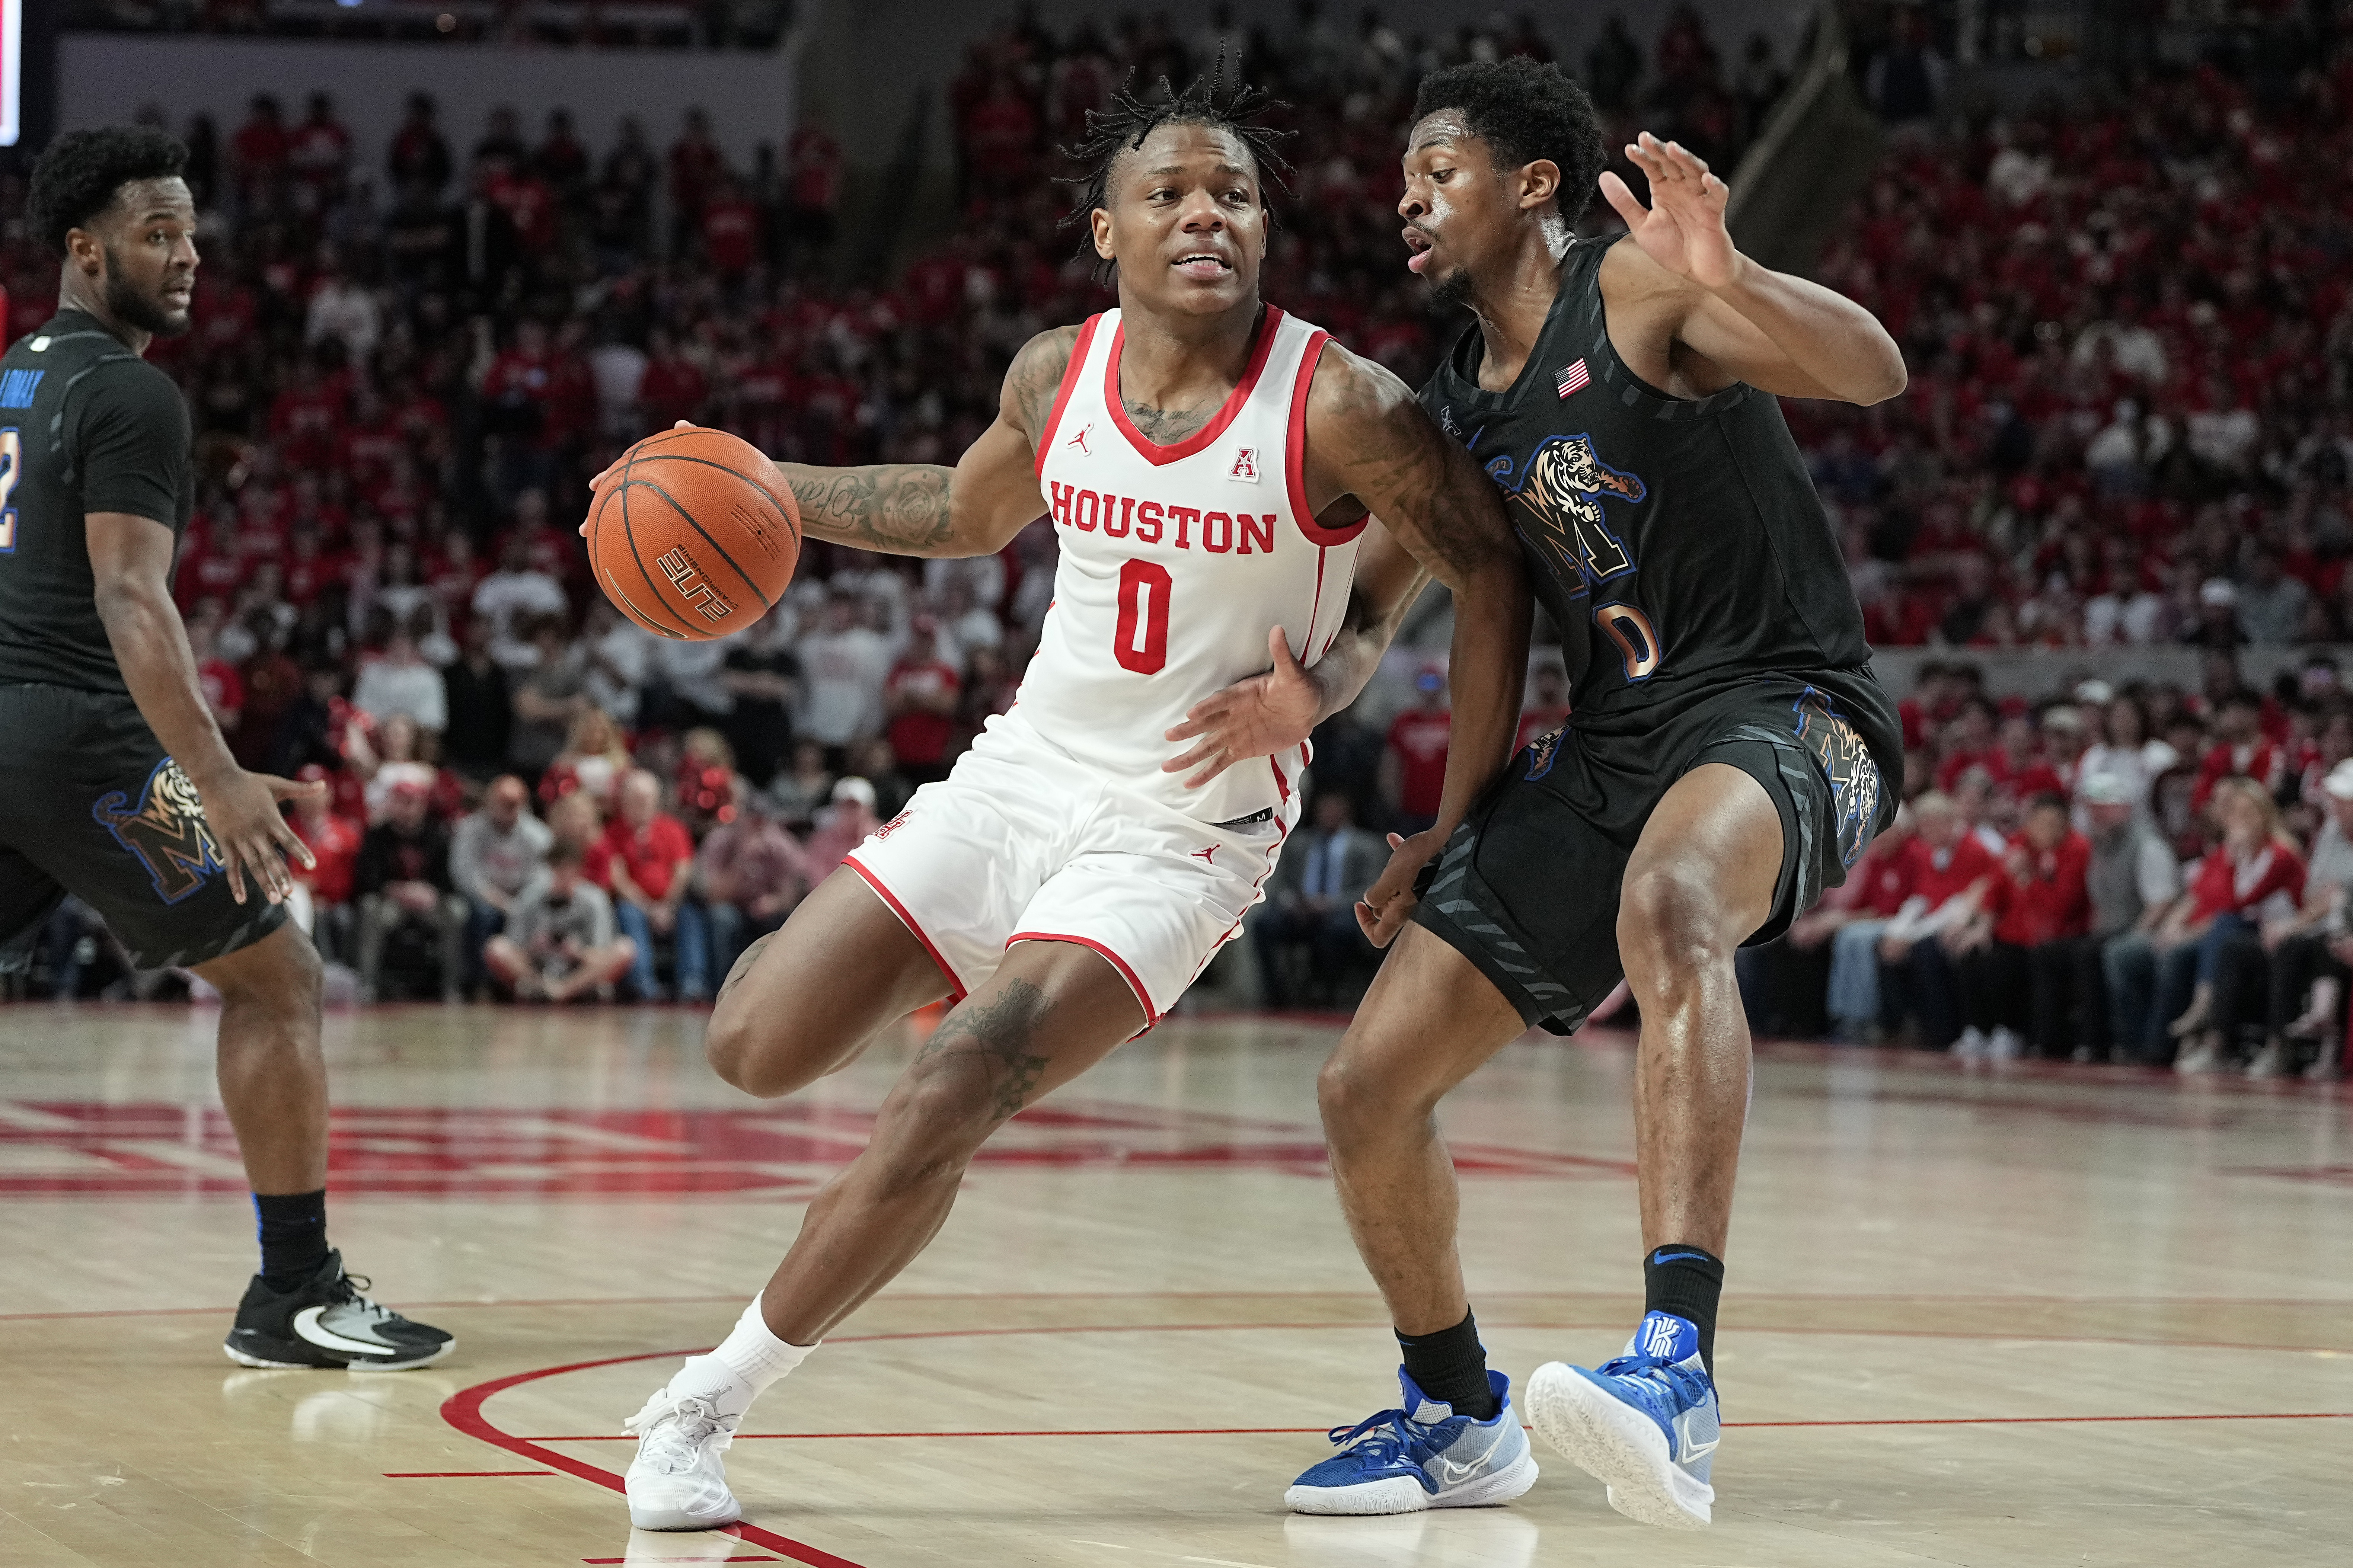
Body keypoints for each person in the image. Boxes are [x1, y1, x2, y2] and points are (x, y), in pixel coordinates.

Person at [602, 71, 1528, 1535]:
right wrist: (762, 484)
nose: (1204, 216)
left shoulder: (1343, 403)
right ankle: (955, 1043)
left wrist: (1345, 698)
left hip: (1186, 826)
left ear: (1265, 233)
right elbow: (966, 518)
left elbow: (1481, 564)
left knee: (956, 1082)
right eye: (1168, 193)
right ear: (1106, 230)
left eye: (1232, 195)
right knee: (752, 1043)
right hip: (1024, 771)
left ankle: (699, 1408)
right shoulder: (1057, 376)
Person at [1170, 59, 1905, 1523]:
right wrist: (1427, 799)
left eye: (1431, 174)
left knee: (1673, 898)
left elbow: (1871, 367)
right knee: (1363, 1085)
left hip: (1783, 708)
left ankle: (1672, 1366)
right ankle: (1453, 1412)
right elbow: (1447, 603)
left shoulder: (1636, 293)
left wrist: (1733, 269)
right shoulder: (1460, 401)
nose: (1402, 204)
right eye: (1397, 184)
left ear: (1529, 187)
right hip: (1618, 740)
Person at [0, 128, 447, 1369]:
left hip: (12, 724)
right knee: (279, 976)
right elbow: (129, 599)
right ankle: (294, 1292)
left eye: (191, 231)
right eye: (158, 233)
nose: (189, 256)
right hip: (79, 740)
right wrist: (207, 774)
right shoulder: (133, 392)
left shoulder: (15, 376)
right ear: (86, 250)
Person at [2146, 776, 2305, 1071]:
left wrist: (2235, 858)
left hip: (2284, 933)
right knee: (2213, 941)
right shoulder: (2236, 851)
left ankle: (2206, 1009)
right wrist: (2174, 926)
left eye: (2247, 814)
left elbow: (2240, 901)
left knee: (2224, 931)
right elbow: (2199, 896)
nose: (2238, 821)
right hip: (2252, 931)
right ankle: (2186, 1044)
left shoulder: (2279, 853)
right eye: (2234, 815)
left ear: (2264, 814)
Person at [1944, 793, 2091, 1059]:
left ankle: (2011, 1031)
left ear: (2066, 824)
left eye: (2054, 824)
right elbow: (1995, 890)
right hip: (2012, 929)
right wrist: (1982, 926)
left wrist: (2029, 878)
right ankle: (1978, 1029)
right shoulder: (2019, 844)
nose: (2046, 830)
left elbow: (2062, 906)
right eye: (2039, 823)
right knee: (1970, 953)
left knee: (2007, 963)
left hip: (2056, 932)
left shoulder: (2077, 851)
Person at [1253, 789, 1385, 1007]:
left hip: (1339, 911)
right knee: (1264, 925)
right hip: (1299, 910)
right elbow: (1279, 882)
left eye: (1334, 808)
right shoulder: (1299, 843)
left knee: (1338, 932)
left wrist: (1329, 905)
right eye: (1324, 808)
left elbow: (1371, 888)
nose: (1328, 814)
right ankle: (1275, 995)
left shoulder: (1366, 845)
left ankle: (1326, 995)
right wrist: (1294, 902)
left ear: (1347, 811)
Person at [589, 768, 710, 1002]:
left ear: (657, 800)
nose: (643, 804)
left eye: (648, 799)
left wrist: (667, 905)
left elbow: (682, 872)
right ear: (624, 802)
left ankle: (692, 982)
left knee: (691, 915)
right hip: (635, 903)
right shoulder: (612, 833)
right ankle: (643, 983)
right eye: (636, 799)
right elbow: (618, 878)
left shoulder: (673, 829)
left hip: (671, 902)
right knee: (629, 914)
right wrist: (649, 909)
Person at [353, 779, 467, 1003]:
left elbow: (449, 881)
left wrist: (431, 892)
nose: (407, 809)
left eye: (413, 803)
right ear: (392, 805)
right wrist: (399, 891)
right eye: (402, 803)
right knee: (369, 909)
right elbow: (368, 880)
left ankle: (452, 988)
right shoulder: (377, 836)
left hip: (428, 903)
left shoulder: (438, 835)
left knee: (457, 911)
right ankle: (367, 985)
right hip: (391, 903)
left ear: (423, 806)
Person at [485, 839, 637, 1002]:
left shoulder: (595, 900)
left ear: (580, 870)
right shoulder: (529, 896)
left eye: (569, 869)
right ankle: (540, 987)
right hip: (538, 969)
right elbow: (514, 946)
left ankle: (564, 991)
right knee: (496, 948)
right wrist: (534, 947)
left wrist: (577, 952)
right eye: (557, 868)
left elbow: (601, 953)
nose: (564, 875)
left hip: (580, 972)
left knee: (625, 949)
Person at [450, 774, 553, 989]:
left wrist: (520, 903)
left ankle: (529, 980)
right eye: (505, 805)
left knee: (541, 913)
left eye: (515, 805)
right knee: (482, 914)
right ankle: (480, 983)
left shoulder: (538, 834)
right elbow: (465, 875)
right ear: (490, 802)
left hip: (525, 898)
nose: (511, 811)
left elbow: (544, 878)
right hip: (485, 897)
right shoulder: (469, 829)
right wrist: (500, 901)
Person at [697, 790, 811, 974]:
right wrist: (742, 858)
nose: (756, 824)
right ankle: (722, 984)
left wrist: (775, 902)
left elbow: (798, 884)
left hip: (766, 909)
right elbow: (713, 894)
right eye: (751, 818)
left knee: (785, 920)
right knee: (722, 917)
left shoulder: (778, 842)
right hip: (730, 905)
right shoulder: (721, 839)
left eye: (761, 819)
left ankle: (775, 982)